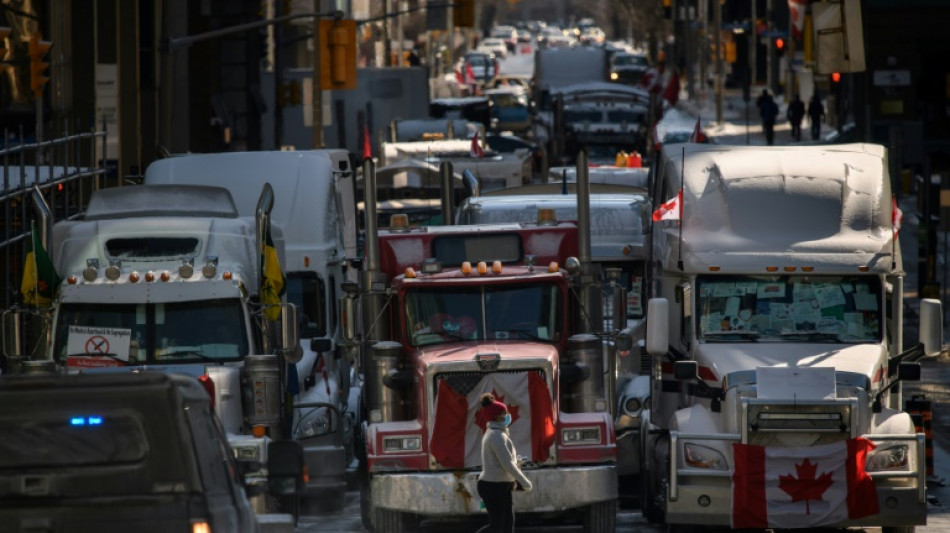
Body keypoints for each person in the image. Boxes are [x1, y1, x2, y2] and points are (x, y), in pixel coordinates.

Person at [476, 393, 533, 533]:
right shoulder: (496, 436)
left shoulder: (498, 433)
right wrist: (525, 483)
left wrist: (517, 461)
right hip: (492, 487)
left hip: (501, 486)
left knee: (507, 525)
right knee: (497, 526)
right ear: (495, 417)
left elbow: (503, 459)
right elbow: (506, 463)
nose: (507, 415)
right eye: (504, 413)